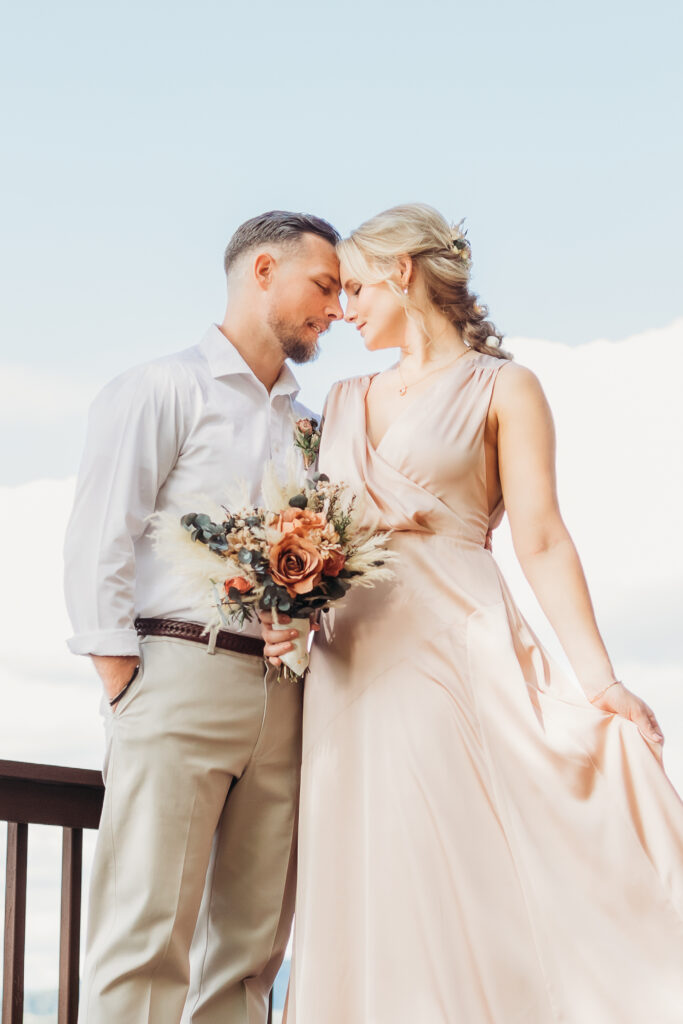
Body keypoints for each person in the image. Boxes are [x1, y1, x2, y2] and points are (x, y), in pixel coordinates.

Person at [262, 204, 683, 1023]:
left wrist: (600, 681)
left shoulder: (505, 387)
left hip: (460, 645)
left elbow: (543, 538)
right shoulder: (339, 400)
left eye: (353, 287)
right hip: (352, 666)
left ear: (402, 273)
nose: (341, 308)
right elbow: (317, 540)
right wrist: (294, 611)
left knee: (468, 857)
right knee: (370, 867)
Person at [63, 210, 343, 1024]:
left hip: (286, 694)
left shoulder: (310, 427)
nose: (333, 309)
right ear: (263, 271)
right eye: (322, 286)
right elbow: (98, 538)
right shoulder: (157, 389)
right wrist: (124, 683)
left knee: (253, 952)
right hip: (176, 675)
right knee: (145, 933)